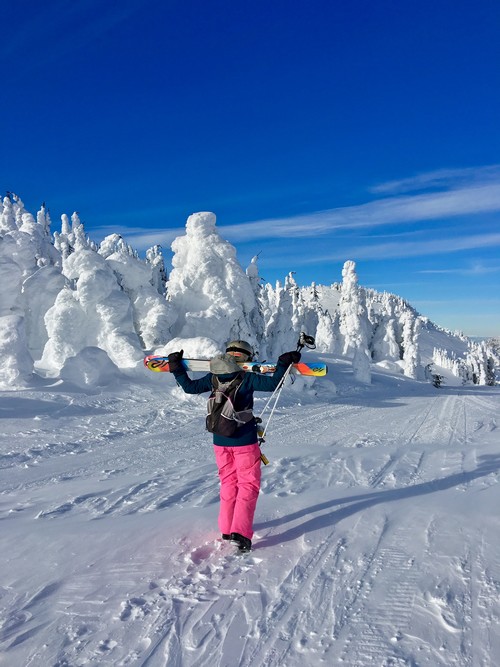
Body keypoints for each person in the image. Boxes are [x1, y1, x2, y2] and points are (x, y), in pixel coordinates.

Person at [167, 340, 301, 553]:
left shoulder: (213, 377)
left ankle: (227, 530)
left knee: (229, 483)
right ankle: (240, 533)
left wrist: (175, 367)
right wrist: (284, 363)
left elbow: (189, 387)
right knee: (248, 485)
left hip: (220, 441)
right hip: (244, 441)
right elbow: (273, 384)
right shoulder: (247, 377)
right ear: (246, 358)